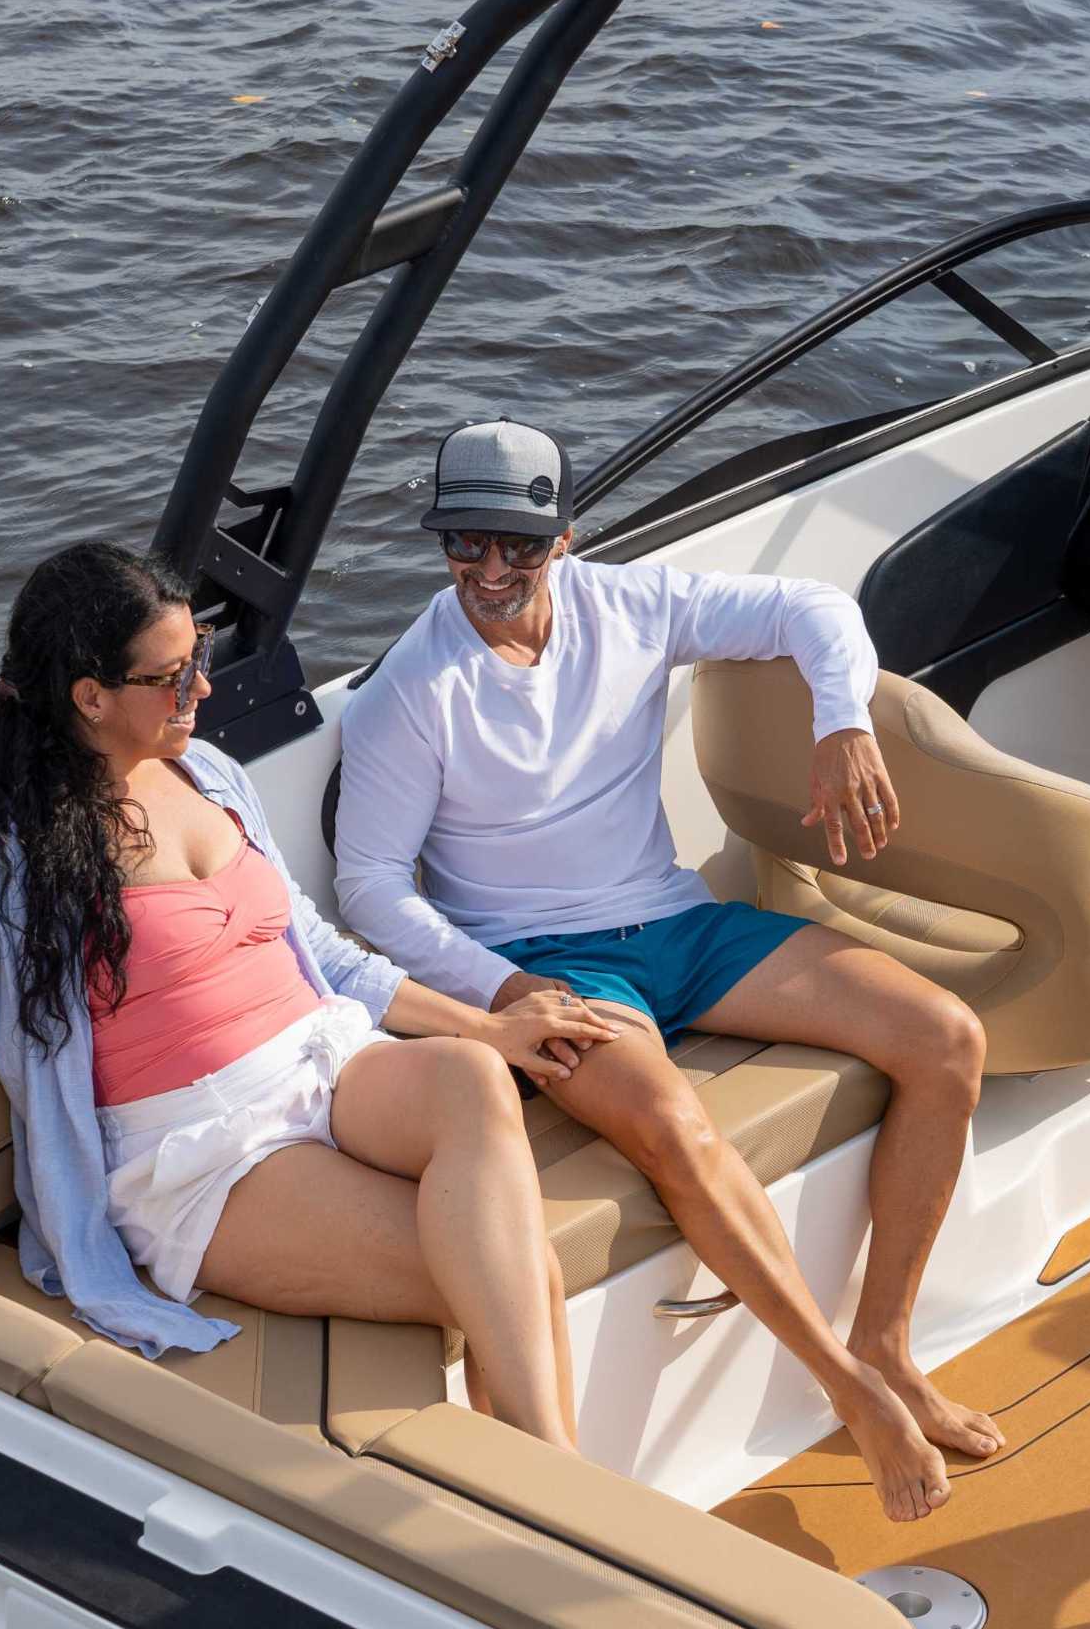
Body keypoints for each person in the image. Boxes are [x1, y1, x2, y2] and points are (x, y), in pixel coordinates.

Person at [335, 419, 1002, 1524]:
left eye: (517, 544)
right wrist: (501, 989)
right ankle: (850, 1388)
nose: (489, 570)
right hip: (546, 964)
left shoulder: (630, 604)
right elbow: (367, 884)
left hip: (680, 925)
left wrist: (842, 722)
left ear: (564, 537)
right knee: (677, 1127)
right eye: (463, 542)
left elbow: (812, 607)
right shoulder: (411, 689)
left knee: (946, 1038)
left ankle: (885, 1338)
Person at [0, 540, 616, 1448]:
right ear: (90, 696)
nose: (201, 687)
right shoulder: (2, 844)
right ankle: (559, 1483)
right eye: (170, 677)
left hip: (326, 1061)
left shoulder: (209, 772)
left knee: (472, 1077)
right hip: (205, 1148)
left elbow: (315, 952)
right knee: (514, 1274)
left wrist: (487, 1026)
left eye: (197, 657)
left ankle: (549, 1490)